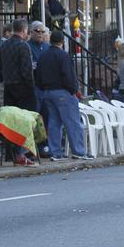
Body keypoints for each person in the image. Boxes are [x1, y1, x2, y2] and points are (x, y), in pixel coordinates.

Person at [36, 30, 92, 161]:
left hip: (47, 92)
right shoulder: (63, 56)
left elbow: (37, 76)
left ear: (50, 41)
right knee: (72, 122)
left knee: (54, 123)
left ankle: (56, 152)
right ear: (62, 42)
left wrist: (44, 88)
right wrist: (73, 90)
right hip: (62, 92)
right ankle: (79, 151)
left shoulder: (43, 56)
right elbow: (69, 76)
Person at [2, 19, 38, 112]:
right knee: (25, 117)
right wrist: (31, 87)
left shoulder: (4, 44)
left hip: (7, 85)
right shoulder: (23, 46)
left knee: (11, 117)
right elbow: (26, 70)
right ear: (23, 30)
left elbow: (0, 64)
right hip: (22, 88)